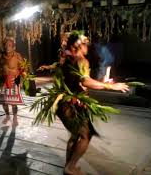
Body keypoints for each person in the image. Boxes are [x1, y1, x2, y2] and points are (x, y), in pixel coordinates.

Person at [31, 31, 129, 175]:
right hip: (71, 104)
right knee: (85, 135)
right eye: (84, 43)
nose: (87, 45)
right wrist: (111, 86)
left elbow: (78, 80)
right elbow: (85, 81)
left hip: (64, 103)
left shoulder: (67, 60)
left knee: (75, 135)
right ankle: (70, 167)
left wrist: (102, 82)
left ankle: (68, 166)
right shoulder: (81, 60)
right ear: (77, 45)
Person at [0, 37, 25, 126]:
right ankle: (7, 115)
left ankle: (15, 117)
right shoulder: (1, 57)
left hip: (13, 81)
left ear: (13, 47)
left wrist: (21, 80)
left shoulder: (17, 56)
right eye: (6, 45)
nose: (7, 47)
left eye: (9, 45)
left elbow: (23, 68)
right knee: (4, 102)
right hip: (4, 81)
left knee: (13, 102)